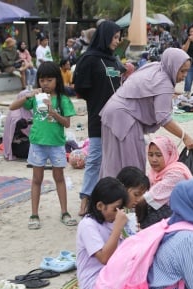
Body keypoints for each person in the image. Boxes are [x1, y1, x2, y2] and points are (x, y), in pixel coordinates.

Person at [99, 48, 193, 178]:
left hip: (111, 112)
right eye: (182, 71)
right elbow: (163, 118)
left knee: (113, 162)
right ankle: (127, 197)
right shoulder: (165, 83)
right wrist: (185, 136)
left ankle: (108, 196)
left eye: (187, 71)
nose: (184, 75)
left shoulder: (155, 67)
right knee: (133, 167)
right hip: (126, 119)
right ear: (172, 66)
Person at [9, 61, 77, 229]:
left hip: (57, 144)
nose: (45, 84)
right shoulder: (35, 98)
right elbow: (12, 107)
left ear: (57, 80)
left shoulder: (62, 99)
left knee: (59, 178)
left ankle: (64, 211)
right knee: (37, 179)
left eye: (49, 80)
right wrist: (29, 95)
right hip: (37, 143)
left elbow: (67, 124)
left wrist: (53, 111)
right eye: (42, 80)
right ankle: (34, 214)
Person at [74, 21, 125, 216]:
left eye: (118, 37)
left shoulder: (113, 60)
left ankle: (111, 199)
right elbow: (81, 87)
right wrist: (97, 99)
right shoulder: (89, 59)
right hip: (98, 116)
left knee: (113, 159)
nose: (117, 41)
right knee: (95, 159)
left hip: (117, 117)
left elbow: (118, 79)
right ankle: (85, 199)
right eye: (114, 37)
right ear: (105, 37)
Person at [76, 177, 128, 289]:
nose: (119, 213)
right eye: (115, 209)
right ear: (100, 206)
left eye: (121, 209)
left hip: (114, 274)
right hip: (94, 281)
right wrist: (117, 229)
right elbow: (104, 258)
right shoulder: (87, 225)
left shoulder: (111, 220)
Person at [139, 136, 193, 229]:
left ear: (168, 154)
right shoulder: (154, 173)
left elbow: (148, 198)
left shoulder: (176, 173)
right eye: (150, 155)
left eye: (159, 155)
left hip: (182, 216)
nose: (154, 159)